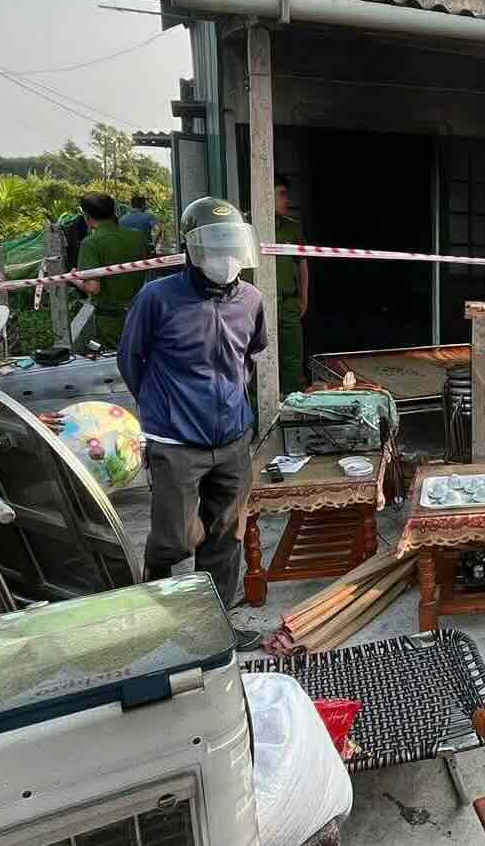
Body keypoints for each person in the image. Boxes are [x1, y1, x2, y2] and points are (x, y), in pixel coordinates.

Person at [118, 196, 268, 649]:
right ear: (190, 249)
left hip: (232, 439)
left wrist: (237, 414)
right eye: (213, 246)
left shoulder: (251, 299)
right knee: (176, 537)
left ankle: (215, 629)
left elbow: (250, 356)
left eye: (231, 246)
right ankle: (159, 615)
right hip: (175, 440)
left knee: (225, 534)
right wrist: (162, 411)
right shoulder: (157, 299)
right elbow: (131, 360)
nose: (224, 258)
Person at [73, 192, 151, 350]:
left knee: (118, 361)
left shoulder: (91, 243)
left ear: (86, 215)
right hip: (140, 312)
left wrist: (75, 279)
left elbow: (93, 287)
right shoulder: (138, 237)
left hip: (111, 321)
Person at [272, 176, 310, 394]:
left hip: (289, 302)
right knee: (259, 355)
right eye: (282, 194)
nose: (287, 199)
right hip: (260, 303)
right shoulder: (249, 224)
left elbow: (303, 264)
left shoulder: (292, 228)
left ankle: (293, 401)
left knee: (293, 357)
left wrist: (303, 298)